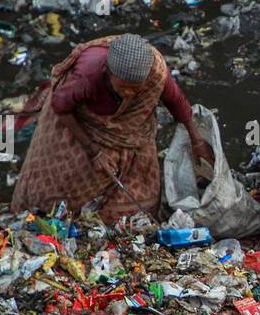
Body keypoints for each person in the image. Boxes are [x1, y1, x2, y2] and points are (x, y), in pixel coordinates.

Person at [12, 33, 211, 221]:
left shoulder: (155, 74)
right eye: (123, 86)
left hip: (134, 136)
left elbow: (176, 102)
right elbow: (60, 107)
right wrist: (94, 151)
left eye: (136, 88)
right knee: (57, 193)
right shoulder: (87, 77)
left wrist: (197, 140)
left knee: (140, 202)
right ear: (108, 73)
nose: (129, 94)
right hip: (83, 128)